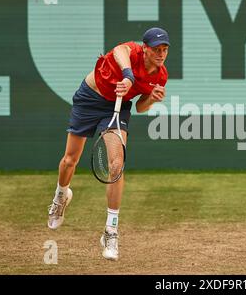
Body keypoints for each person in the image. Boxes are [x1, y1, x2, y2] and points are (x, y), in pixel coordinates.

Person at [47, 27, 170, 261]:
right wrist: (128, 75)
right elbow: (118, 51)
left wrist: (151, 99)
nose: (161, 54)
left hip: (117, 108)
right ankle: (61, 195)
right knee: (70, 160)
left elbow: (141, 107)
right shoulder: (130, 52)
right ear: (144, 48)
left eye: (164, 50)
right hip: (89, 98)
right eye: (156, 49)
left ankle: (111, 231)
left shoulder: (160, 75)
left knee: (116, 165)